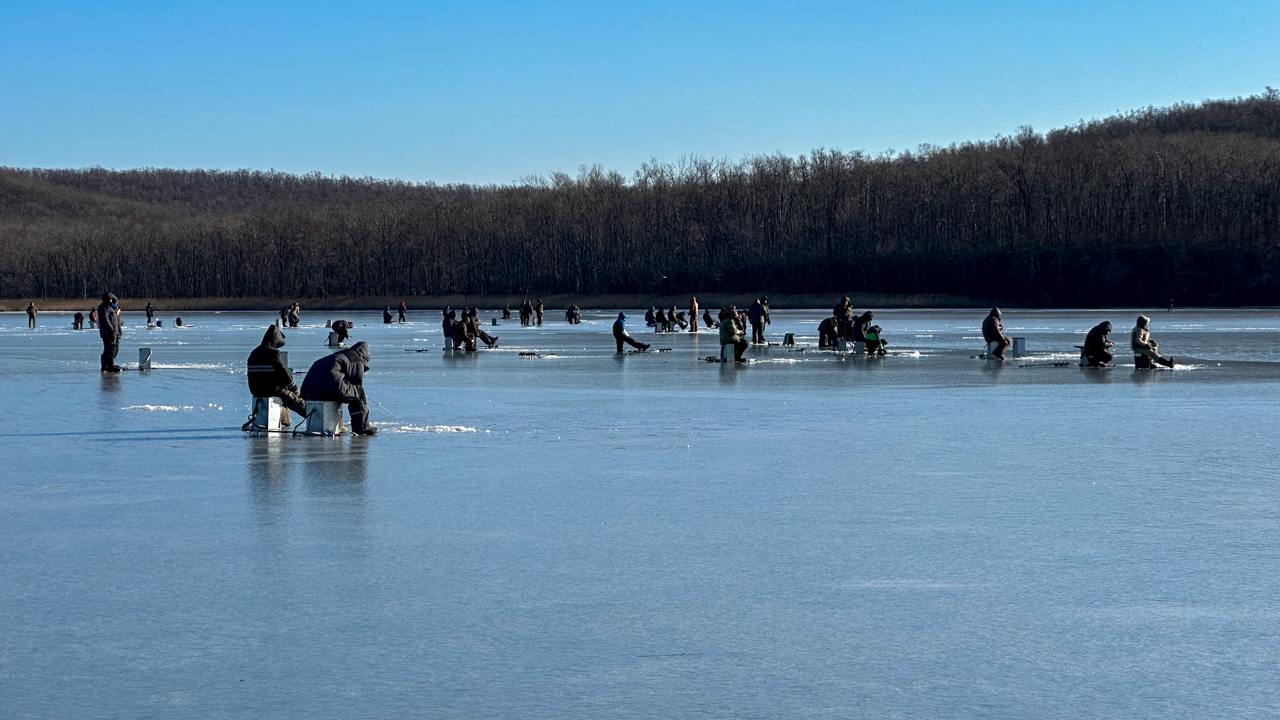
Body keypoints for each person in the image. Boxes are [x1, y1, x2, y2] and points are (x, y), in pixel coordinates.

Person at [301, 341, 377, 435]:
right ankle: (362, 427)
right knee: (359, 394)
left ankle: (338, 424)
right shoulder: (356, 359)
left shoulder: (340, 355)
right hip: (326, 388)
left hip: (308, 391)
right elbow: (356, 384)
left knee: (346, 391)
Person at [245, 324, 306, 428]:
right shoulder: (273, 353)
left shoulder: (254, 352)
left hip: (255, 390)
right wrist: (294, 387)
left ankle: (284, 421)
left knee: (284, 397)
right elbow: (284, 373)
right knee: (295, 400)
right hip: (271, 389)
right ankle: (313, 416)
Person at [96, 292, 122, 372]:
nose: (110, 301)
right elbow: (106, 320)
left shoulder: (111, 308)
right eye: (109, 299)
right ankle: (109, 366)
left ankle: (108, 365)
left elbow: (115, 320)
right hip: (108, 333)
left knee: (113, 349)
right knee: (109, 349)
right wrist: (112, 330)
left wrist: (119, 331)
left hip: (114, 332)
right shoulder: (103, 307)